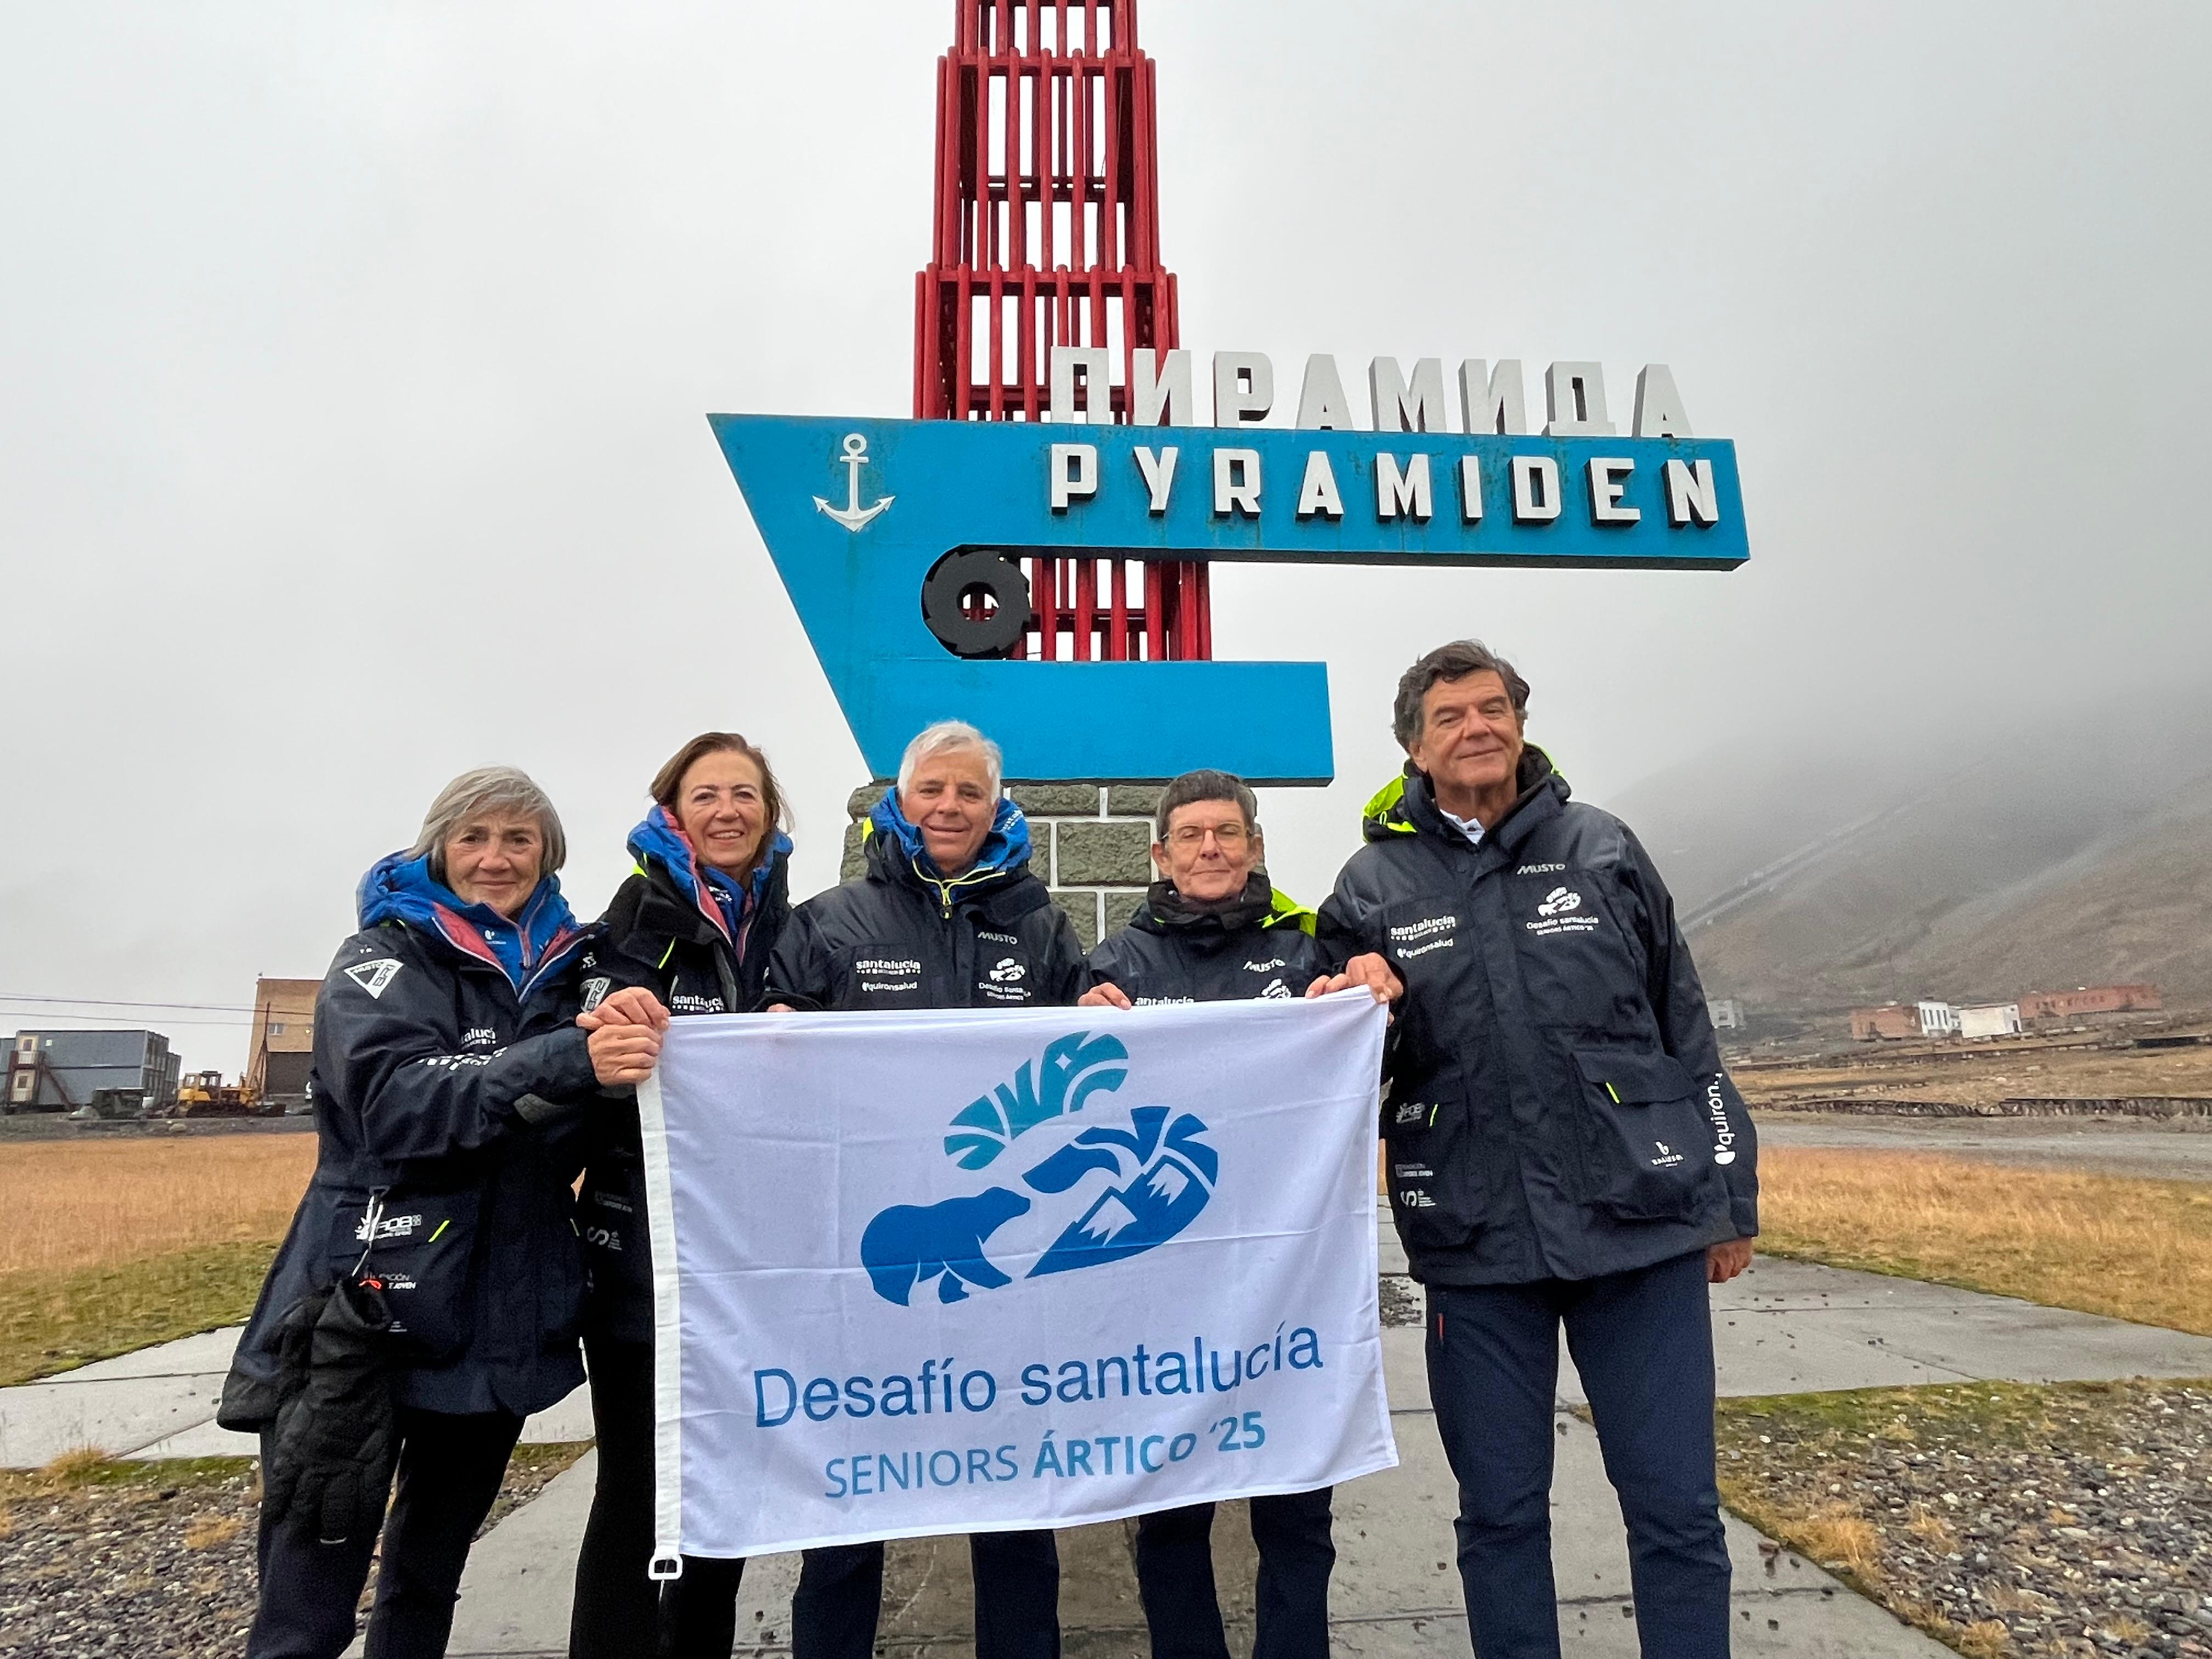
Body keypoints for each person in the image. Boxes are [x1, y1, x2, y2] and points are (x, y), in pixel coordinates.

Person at [1316, 641, 1758, 1659]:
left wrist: (1730, 1197)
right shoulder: (1371, 884)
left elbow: (1684, 1024)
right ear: (1415, 750)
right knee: (1500, 1516)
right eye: (1449, 717)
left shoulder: (1601, 845)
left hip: (1642, 1227)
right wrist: (1358, 990)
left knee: (1677, 1510)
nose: (1476, 728)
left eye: (1492, 709)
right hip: (1477, 1245)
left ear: (1519, 723)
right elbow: (1336, 1048)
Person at [219, 767, 634, 1659]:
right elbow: (396, 1104)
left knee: (429, 1575)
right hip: (363, 1310)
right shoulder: (381, 958)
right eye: (473, 837)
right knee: (309, 1590)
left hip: (502, 1314)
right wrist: (568, 1061)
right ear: (437, 849)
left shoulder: (575, 972)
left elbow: (590, 1114)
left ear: (549, 856)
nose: (495, 858)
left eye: (519, 839)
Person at [764, 719, 1085, 1659]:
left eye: (969, 792)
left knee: (1017, 1501)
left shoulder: (1040, 924)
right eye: (932, 790)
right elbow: (769, 1084)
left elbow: (1081, 1066)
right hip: (865, 1268)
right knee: (849, 1505)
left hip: (1004, 1278)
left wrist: (1106, 1014)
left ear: (996, 807)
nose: (950, 806)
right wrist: (769, 1033)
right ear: (899, 800)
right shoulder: (830, 921)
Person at [1079, 770, 1398, 1659]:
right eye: (1191, 835)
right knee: (1172, 1512)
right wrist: (1074, 1024)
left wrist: (1372, 1001)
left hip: (1291, 1277)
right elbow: (1079, 1113)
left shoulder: (1308, 951)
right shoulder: (1115, 964)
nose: (1210, 848)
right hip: (1161, 1286)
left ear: (1256, 847)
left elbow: (1377, 1067)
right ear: (1160, 855)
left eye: (1227, 832)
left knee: (1296, 1507)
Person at [565, 733, 795, 1659]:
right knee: (636, 1491)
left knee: (726, 1493)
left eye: (745, 794)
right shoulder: (628, 924)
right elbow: (580, 1071)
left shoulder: (797, 925)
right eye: (706, 795)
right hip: (641, 1259)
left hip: (752, 1263)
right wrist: (607, 1032)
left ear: (769, 814)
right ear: (674, 812)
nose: (727, 811)